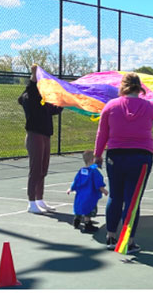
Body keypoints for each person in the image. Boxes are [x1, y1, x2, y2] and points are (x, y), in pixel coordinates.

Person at [93, 73, 153, 254]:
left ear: (123, 86)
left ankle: (111, 236)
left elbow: (102, 133)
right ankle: (128, 240)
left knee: (115, 196)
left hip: (115, 156)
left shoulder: (111, 106)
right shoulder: (149, 106)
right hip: (141, 157)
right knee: (133, 200)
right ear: (139, 87)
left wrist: (98, 155)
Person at [19, 66, 62, 214]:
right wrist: (34, 74)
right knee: (36, 169)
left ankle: (39, 199)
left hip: (45, 135)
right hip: (34, 135)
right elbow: (29, 90)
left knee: (43, 169)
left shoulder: (43, 99)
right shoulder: (29, 97)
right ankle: (31, 202)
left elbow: (54, 110)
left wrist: (63, 102)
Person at [68, 150, 107, 233]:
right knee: (89, 210)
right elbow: (98, 183)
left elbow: (76, 181)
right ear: (92, 160)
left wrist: (71, 188)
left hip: (80, 195)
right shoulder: (94, 172)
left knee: (79, 208)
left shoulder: (81, 171)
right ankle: (87, 224)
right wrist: (103, 190)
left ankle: (77, 220)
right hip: (90, 195)